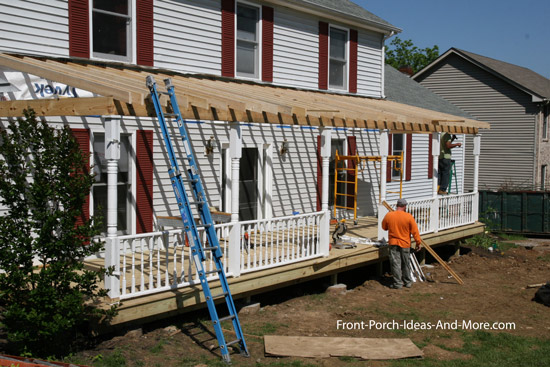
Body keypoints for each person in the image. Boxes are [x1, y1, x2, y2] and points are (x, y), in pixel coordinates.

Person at [381, 198, 422, 289]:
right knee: (405, 263)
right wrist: (418, 243)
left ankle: (398, 283)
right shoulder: (408, 216)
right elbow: (415, 231)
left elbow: (384, 227)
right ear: (404, 206)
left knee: (395, 264)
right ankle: (407, 282)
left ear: (397, 205)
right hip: (405, 243)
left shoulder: (389, 215)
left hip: (393, 243)